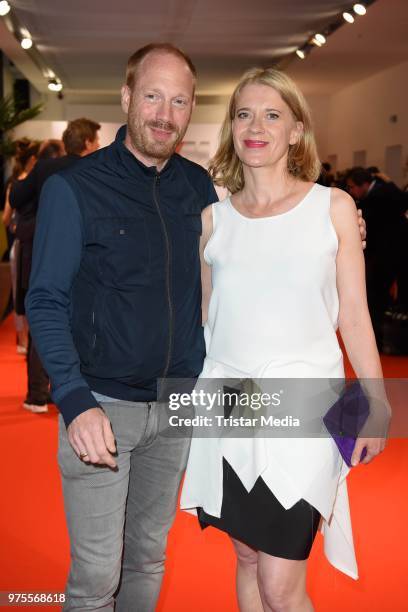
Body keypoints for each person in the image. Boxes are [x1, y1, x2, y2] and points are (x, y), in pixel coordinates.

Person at [180, 68, 390, 612]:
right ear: (231, 128)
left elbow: (356, 318)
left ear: (296, 129)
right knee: (248, 560)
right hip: (230, 408)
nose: (257, 126)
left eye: (273, 114)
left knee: (280, 581)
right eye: (244, 114)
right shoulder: (212, 222)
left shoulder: (334, 209)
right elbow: (207, 324)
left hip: (307, 411)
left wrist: (378, 401)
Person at [26, 44, 218, 611]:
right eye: (154, 96)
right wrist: (73, 399)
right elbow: (45, 299)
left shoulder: (198, 188)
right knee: (95, 578)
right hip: (102, 407)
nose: (165, 113)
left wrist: (339, 224)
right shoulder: (75, 189)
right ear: (128, 97)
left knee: (149, 558)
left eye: (180, 101)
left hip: (180, 405)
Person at [10, 118, 101, 413]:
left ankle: (37, 392)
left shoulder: (47, 168)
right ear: (87, 143)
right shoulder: (98, 170)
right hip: (86, 261)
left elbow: (16, 196)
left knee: (45, 316)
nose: (98, 146)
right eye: (96, 141)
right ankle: (68, 389)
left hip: (42, 252)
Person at [346, 166, 407, 347]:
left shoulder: (379, 195)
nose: (351, 191)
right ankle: (382, 337)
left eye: (352, 187)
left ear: (364, 184)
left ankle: (379, 339)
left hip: (388, 255)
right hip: (389, 254)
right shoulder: (382, 191)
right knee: (380, 297)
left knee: (376, 296)